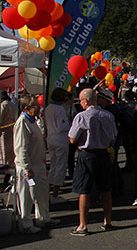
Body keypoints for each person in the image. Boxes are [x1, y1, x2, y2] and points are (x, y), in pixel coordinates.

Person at [68, 88, 118, 236]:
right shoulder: (108, 115)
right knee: (105, 189)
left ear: (86, 100)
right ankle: (107, 221)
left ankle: (83, 225)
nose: (81, 103)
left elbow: (72, 138)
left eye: (81, 101)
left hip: (87, 153)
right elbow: (113, 136)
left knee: (84, 190)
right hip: (103, 153)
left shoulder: (82, 116)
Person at [13, 95, 54, 233]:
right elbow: (20, 148)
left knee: (41, 193)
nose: (38, 108)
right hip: (28, 166)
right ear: (26, 108)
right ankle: (25, 223)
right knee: (25, 196)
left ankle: (43, 218)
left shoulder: (33, 121)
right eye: (35, 106)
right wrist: (26, 167)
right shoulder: (22, 122)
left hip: (38, 164)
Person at [44, 87, 71, 202]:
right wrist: (70, 126)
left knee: (53, 165)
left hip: (50, 137)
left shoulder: (48, 108)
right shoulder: (60, 109)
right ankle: (55, 194)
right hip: (60, 139)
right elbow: (61, 126)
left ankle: (47, 191)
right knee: (60, 166)